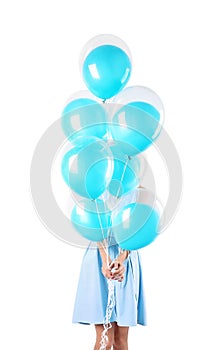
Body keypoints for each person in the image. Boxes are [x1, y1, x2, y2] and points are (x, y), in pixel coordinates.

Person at [72, 231, 146, 350]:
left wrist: (122, 258)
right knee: (105, 340)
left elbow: (137, 228)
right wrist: (105, 259)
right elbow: (93, 225)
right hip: (99, 255)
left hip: (127, 254)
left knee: (120, 340)